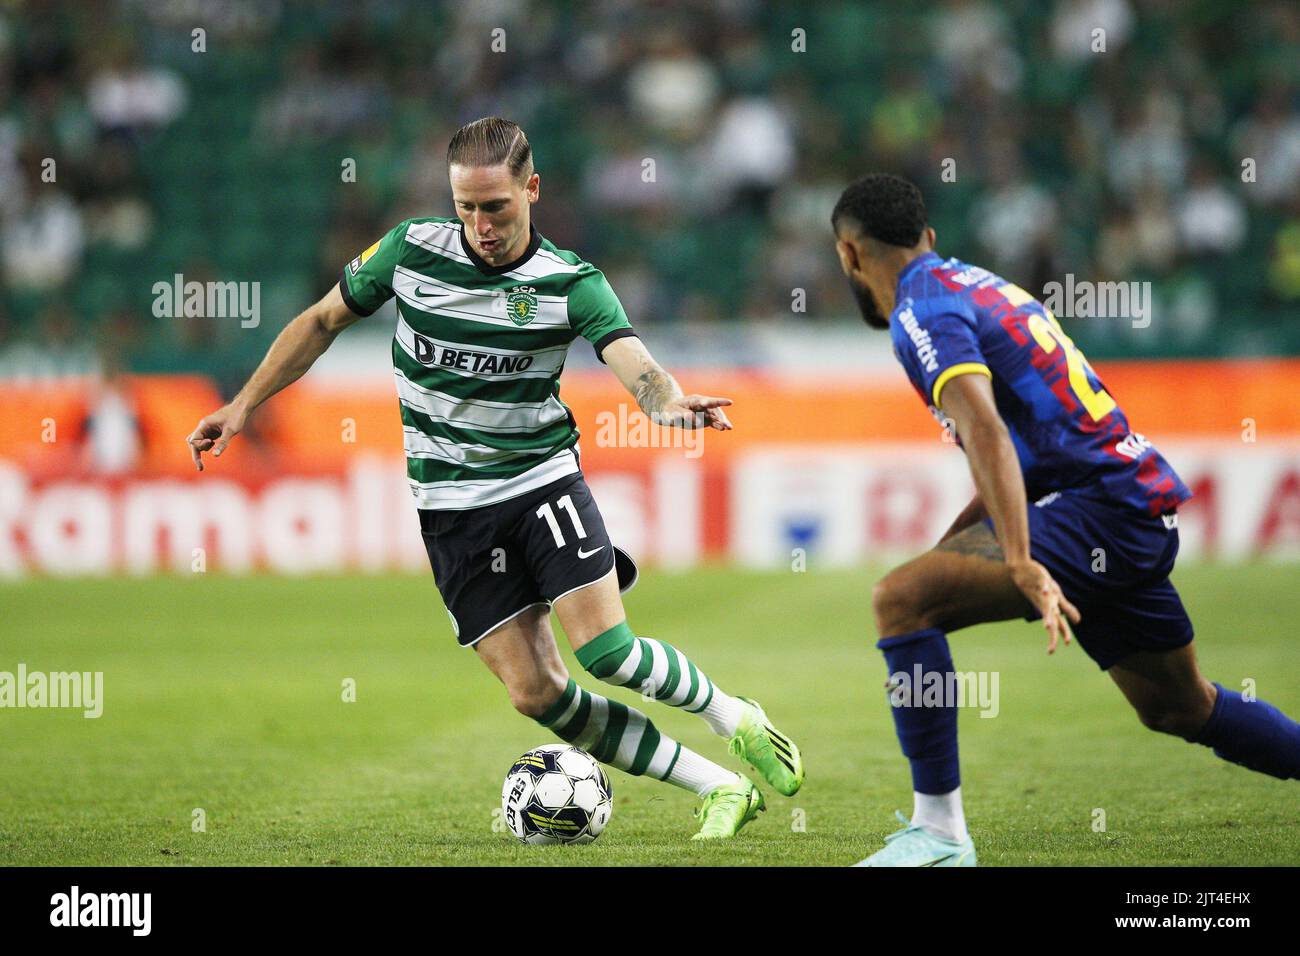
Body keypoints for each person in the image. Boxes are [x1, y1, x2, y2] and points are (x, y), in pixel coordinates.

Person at [186, 116, 803, 840]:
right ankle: (718, 786)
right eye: (466, 207)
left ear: (531, 189)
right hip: (450, 512)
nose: (480, 224)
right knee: (535, 692)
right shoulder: (410, 252)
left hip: (540, 483)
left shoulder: (571, 284)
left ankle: (736, 718)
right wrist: (242, 405)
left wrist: (666, 402)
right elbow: (322, 322)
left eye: (496, 207)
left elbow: (633, 360)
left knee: (607, 652)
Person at [831, 172, 1299, 866]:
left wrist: (1017, 559)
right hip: (1126, 504)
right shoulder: (978, 285)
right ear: (929, 238)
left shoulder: (919, 313)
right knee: (1179, 708)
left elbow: (986, 432)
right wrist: (961, 544)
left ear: (848, 255)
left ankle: (939, 834)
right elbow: (1013, 451)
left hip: (1098, 509)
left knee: (900, 601)